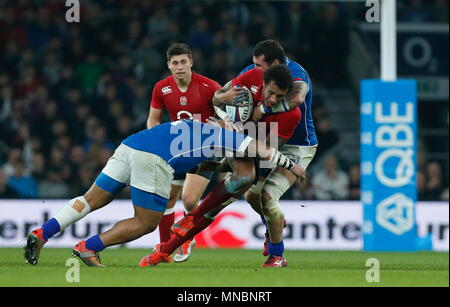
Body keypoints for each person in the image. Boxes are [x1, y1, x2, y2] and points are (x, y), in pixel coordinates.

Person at [24, 119, 305, 267]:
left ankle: (43, 232)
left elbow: (198, 160)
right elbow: (261, 149)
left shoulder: (195, 129)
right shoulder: (227, 135)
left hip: (129, 146)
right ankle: (89, 248)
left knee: (90, 199)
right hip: (152, 159)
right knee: (146, 222)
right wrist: (291, 165)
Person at [140, 64, 302, 268]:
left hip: (258, 152)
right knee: (228, 180)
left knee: (244, 188)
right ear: (263, 83)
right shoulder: (252, 77)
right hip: (233, 139)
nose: (273, 99)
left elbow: (266, 152)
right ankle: (168, 245)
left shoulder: (291, 115)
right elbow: (217, 99)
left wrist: (231, 137)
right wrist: (223, 113)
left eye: (279, 96)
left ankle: (170, 244)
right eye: (271, 93)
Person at [242, 40, 318, 265]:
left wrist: (264, 109)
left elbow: (297, 98)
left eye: (259, 66)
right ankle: (272, 224)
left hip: (298, 145)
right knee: (251, 195)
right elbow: (232, 92)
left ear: (275, 63)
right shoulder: (251, 72)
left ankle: (277, 254)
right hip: (269, 139)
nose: (254, 70)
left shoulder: (297, 74)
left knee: (267, 197)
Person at [146, 43, 222, 262]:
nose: (179, 67)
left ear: (191, 62)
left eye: (183, 62)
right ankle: (165, 248)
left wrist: (220, 125)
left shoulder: (209, 86)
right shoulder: (161, 88)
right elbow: (153, 118)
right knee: (166, 199)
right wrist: (156, 140)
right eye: (175, 63)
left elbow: (226, 116)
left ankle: (186, 236)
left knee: (189, 201)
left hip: (206, 148)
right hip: (177, 149)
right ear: (168, 65)